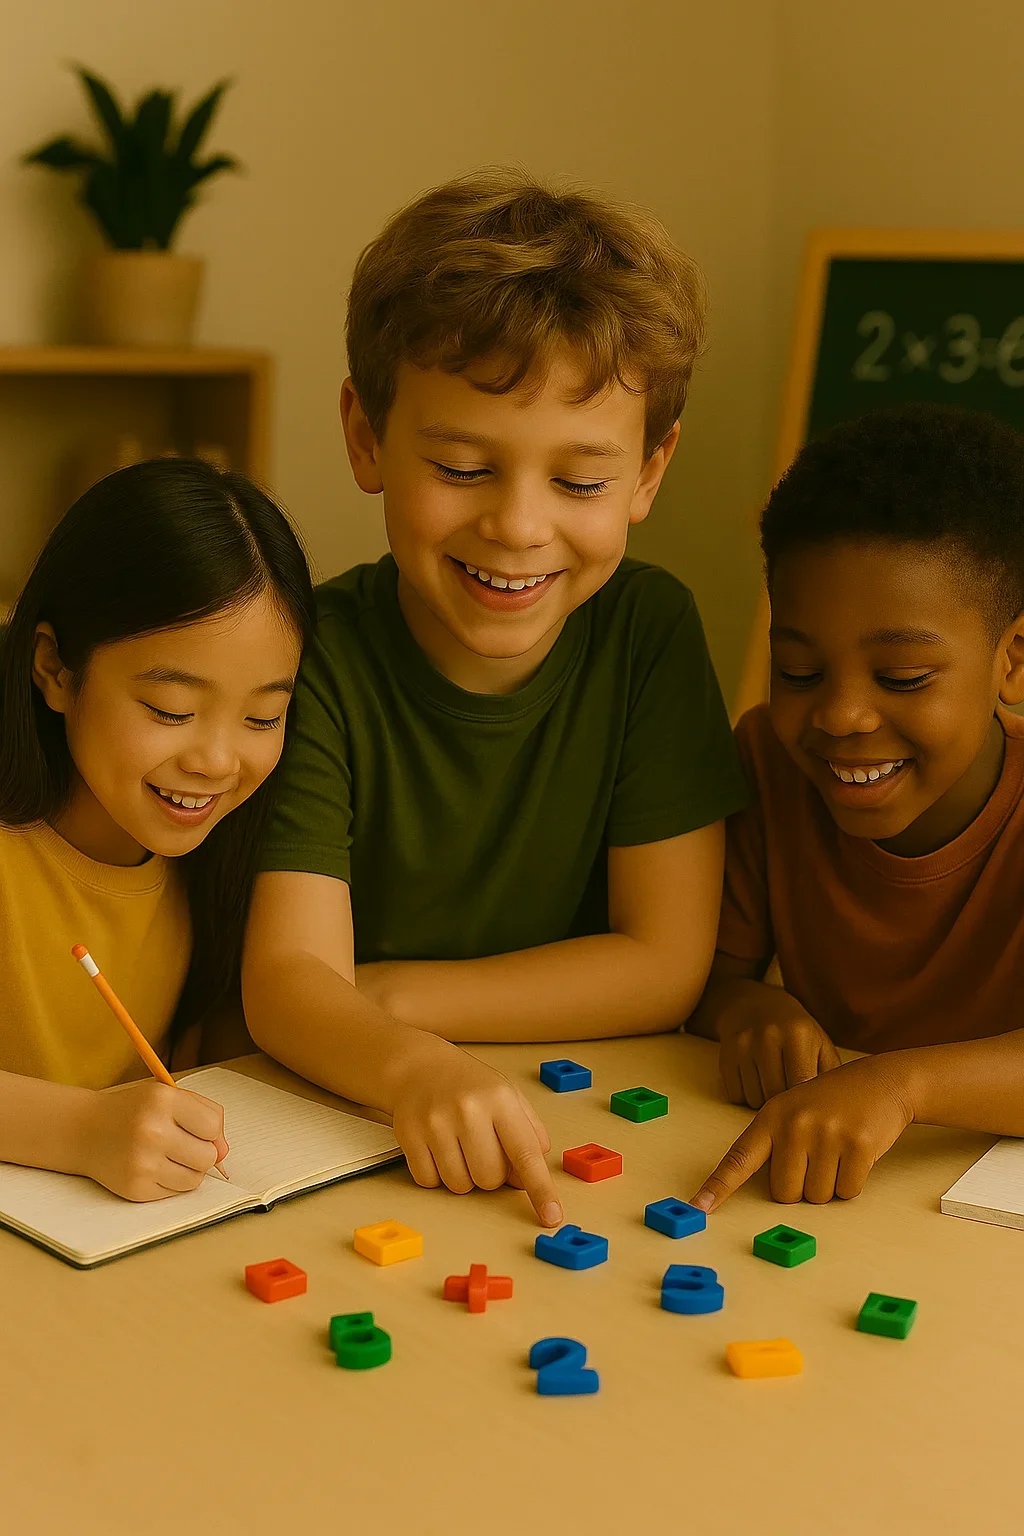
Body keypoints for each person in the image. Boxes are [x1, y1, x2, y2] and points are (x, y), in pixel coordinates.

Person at [243, 169, 746, 1227]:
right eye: (464, 466)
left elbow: (662, 964)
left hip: (565, 1118)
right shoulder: (316, 651)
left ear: (650, 473)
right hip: (344, 1124)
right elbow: (288, 979)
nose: (519, 527)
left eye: (578, 482)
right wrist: (405, 1065)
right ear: (367, 436)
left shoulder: (648, 632)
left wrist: (391, 1004)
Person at [689, 404, 1024, 1211]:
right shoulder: (768, 763)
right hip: (841, 1195)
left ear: (1013, 662)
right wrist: (752, 1009)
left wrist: (902, 1086)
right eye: (799, 672)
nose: (840, 715)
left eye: (902, 678)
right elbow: (701, 981)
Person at [0, 458, 315, 1201]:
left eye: (263, 717)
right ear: (55, 668)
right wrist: (80, 1130)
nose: (215, 761)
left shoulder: (223, 857)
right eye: (171, 711)